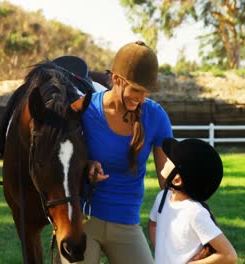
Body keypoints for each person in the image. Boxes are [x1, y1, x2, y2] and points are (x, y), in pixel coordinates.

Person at [61, 40, 173, 264]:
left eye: (145, 92)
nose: (141, 98)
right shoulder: (84, 109)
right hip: (83, 220)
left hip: (126, 221)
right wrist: (86, 167)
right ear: (116, 80)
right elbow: (62, 160)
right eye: (136, 90)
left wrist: (193, 195)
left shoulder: (156, 116)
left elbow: (167, 178)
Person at [148, 138, 237, 264]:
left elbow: (229, 255)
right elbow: (153, 225)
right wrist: (163, 254)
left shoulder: (195, 212)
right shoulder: (162, 197)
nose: (166, 160)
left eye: (169, 160)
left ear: (177, 179)